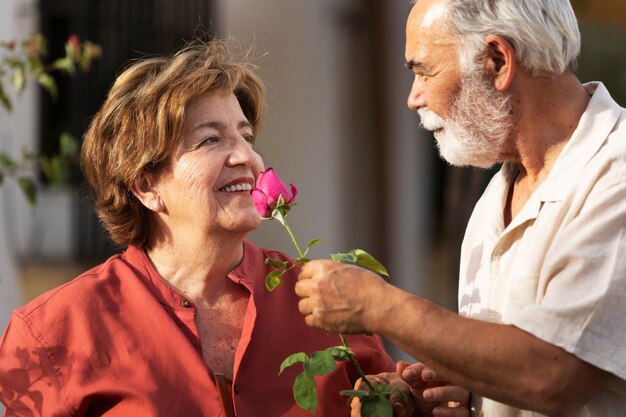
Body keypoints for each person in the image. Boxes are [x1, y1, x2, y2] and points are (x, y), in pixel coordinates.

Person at [0, 39, 398, 417]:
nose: (248, 157)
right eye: (210, 140)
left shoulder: (325, 300)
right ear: (146, 186)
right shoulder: (55, 332)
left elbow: (391, 398)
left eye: (247, 136)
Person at [295, 0, 626, 416]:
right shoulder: (498, 193)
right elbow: (516, 369)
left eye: (422, 70)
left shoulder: (616, 174)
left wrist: (381, 307)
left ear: (497, 61)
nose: (414, 98)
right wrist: (453, 394)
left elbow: (552, 375)